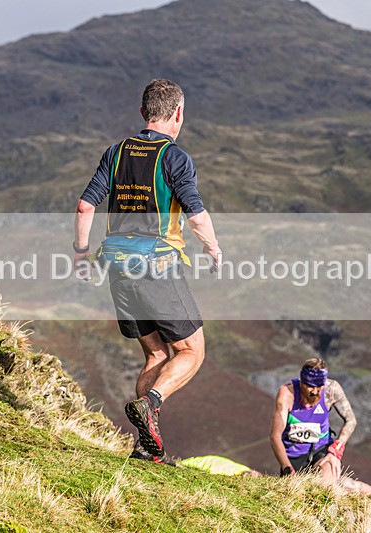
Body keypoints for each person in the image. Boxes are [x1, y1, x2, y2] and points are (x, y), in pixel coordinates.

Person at [73, 79, 222, 466]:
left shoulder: (115, 152)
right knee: (191, 351)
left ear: (143, 113)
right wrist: (212, 247)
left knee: (156, 354)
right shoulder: (175, 158)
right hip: (157, 266)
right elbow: (196, 215)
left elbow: (85, 206)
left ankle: (146, 447)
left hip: (117, 269)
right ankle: (152, 402)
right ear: (178, 114)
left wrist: (81, 252)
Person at [270, 358, 371, 496]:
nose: (314, 392)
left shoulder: (331, 390)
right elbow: (275, 436)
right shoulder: (287, 394)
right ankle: (355, 488)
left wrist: (335, 451)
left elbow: (351, 421)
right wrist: (286, 468)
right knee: (301, 494)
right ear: (302, 382)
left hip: (321, 451)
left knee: (325, 490)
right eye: (310, 386)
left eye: (319, 387)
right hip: (293, 458)